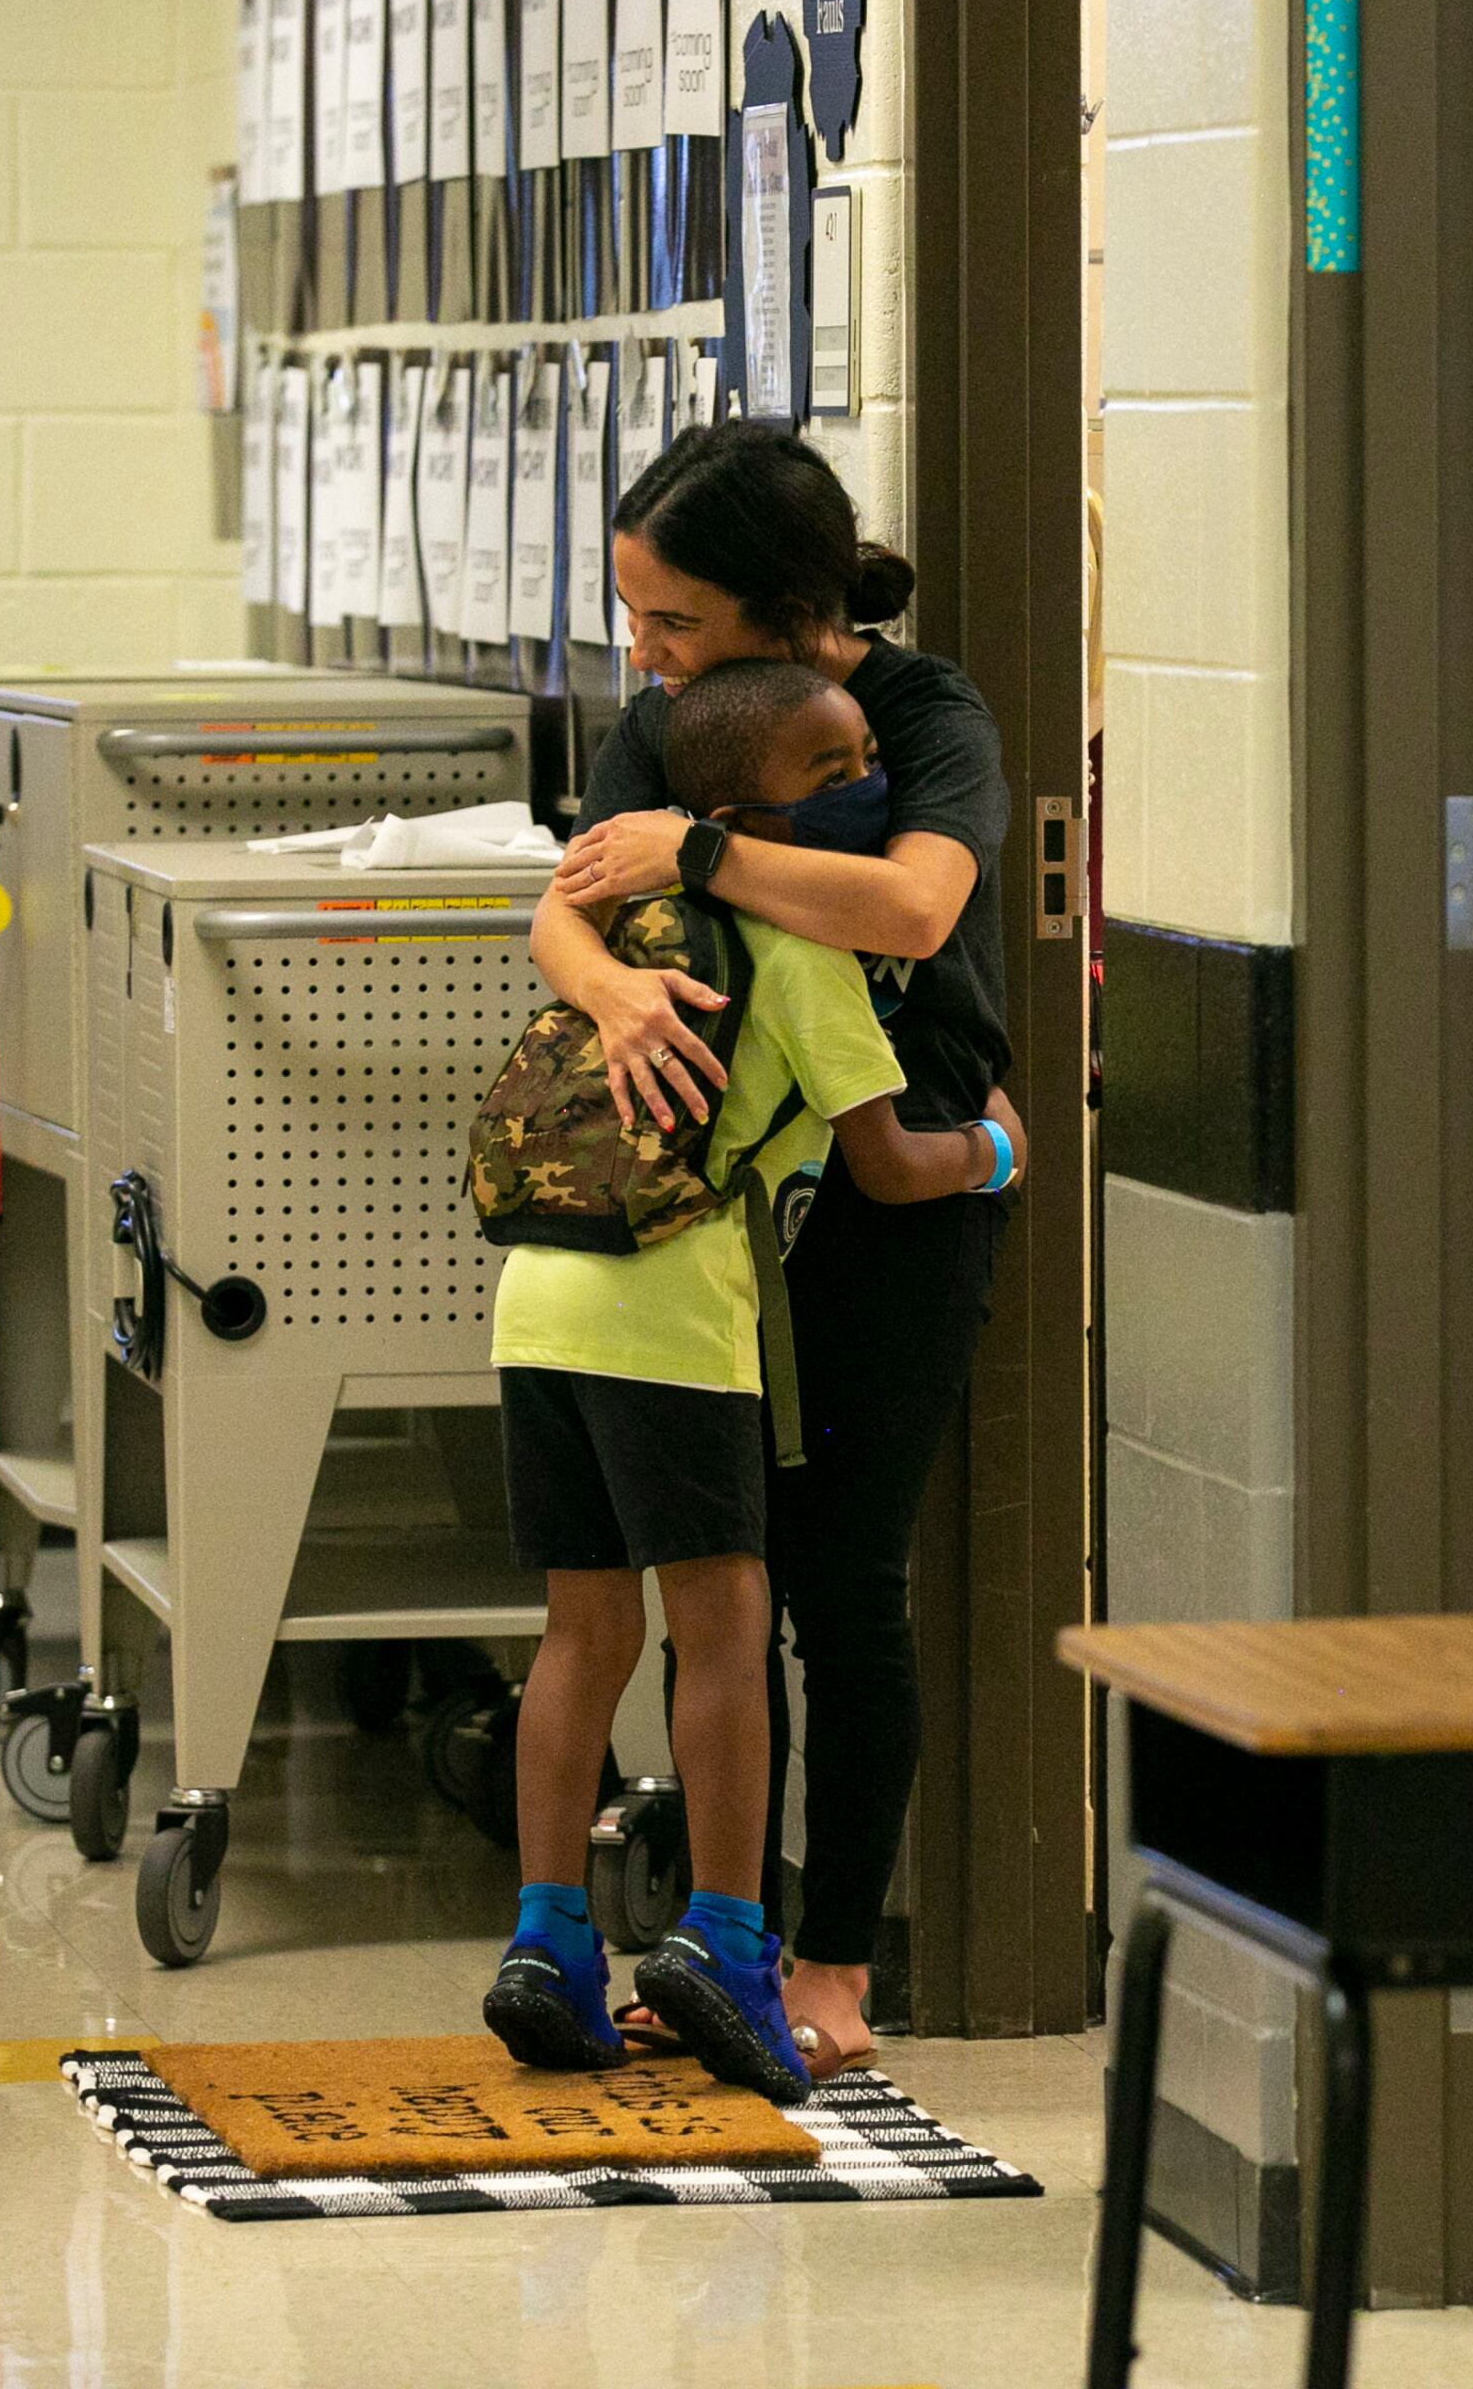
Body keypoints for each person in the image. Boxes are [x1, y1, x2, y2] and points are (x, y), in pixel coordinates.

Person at [532, 420, 1015, 2081]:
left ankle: (830, 1962)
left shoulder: (914, 713)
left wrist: (705, 851)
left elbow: (917, 912)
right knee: (704, 1580)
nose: (646, 660)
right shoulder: (668, 718)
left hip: (892, 1165)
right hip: (708, 1202)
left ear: (788, 608)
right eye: (635, 621)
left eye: (673, 621)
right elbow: (565, 901)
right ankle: (701, 1933)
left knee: (840, 1580)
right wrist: (611, 990)